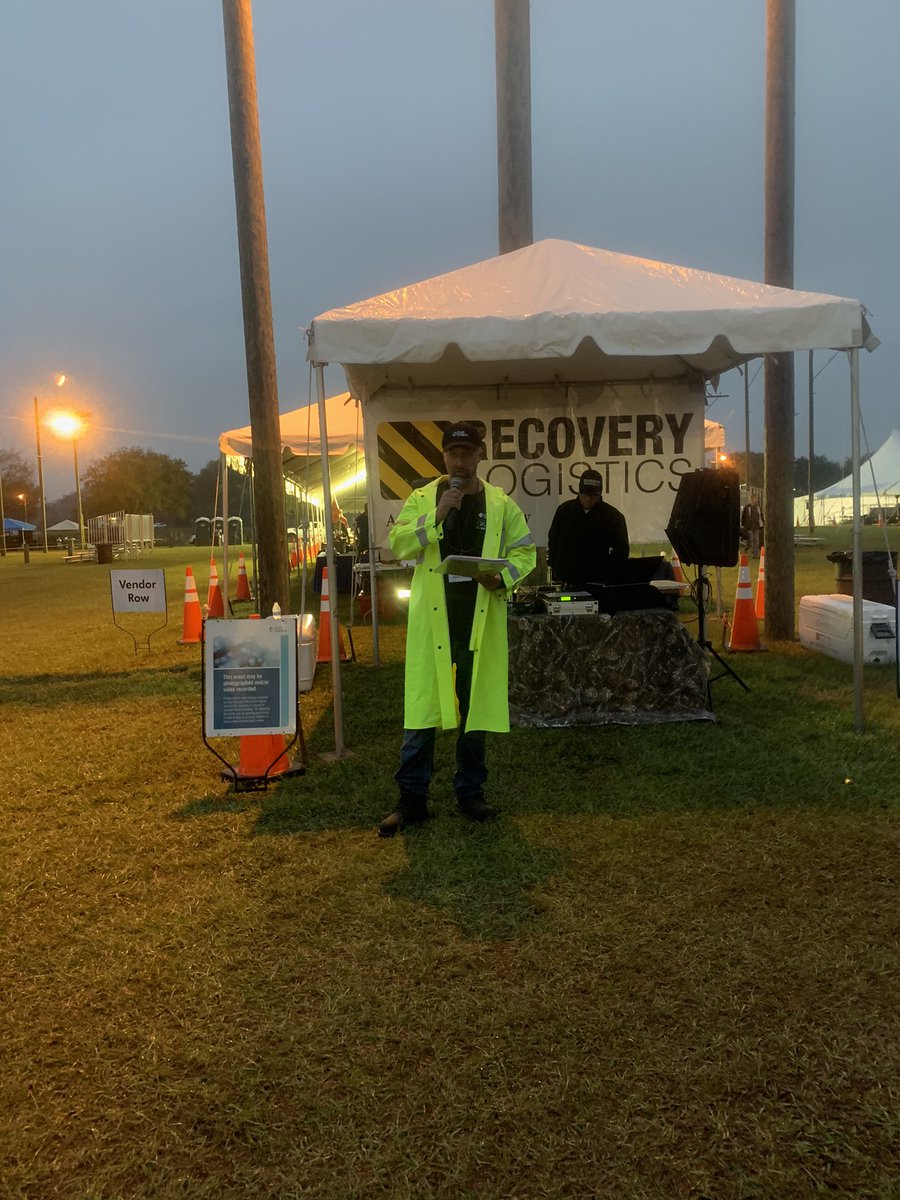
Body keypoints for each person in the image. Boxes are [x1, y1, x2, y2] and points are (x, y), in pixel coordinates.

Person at [378, 420, 536, 837]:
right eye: (453, 453)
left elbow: (525, 552)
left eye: (467, 453)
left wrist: (502, 578)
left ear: (480, 455)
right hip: (433, 621)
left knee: (475, 709)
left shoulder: (500, 503)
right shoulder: (423, 498)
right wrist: (438, 514)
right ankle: (411, 800)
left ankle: (470, 793)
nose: (459, 461)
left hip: (478, 619)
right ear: (444, 456)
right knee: (421, 709)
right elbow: (398, 543)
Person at [547, 468, 629, 589]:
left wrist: (606, 569)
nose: (588, 500)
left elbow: (622, 550)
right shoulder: (564, 511)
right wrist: (557, 566)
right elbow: (553, 540)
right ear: (579, 493)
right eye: (585, 495)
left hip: (598, 580)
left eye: (593, 496)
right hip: (569, 579)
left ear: (600, 494)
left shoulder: (613, 517)